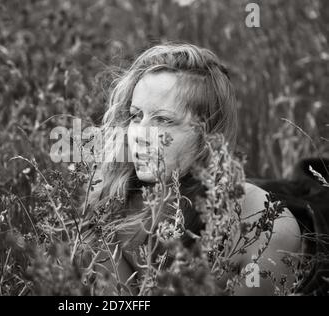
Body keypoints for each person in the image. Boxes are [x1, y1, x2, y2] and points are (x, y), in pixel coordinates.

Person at [85, 43, 304, 296]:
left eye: (163, 120)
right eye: (136, 116)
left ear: (207, 132)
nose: (139, 135)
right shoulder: (113, 204)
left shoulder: (266, 228)